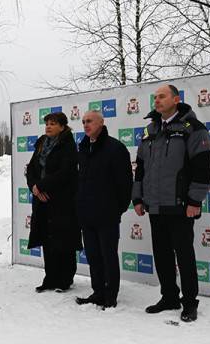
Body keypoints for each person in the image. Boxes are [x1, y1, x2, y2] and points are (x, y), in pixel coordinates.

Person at [133, 84, 210, 322]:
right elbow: (140, 169)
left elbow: (204, 168)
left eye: (162, 96)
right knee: (162, 254)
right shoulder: (149, 130)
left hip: (180, 205)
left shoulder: (193, 128)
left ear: (176, 99)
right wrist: (138, 198)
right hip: (154, 205)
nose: (156, 100)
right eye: (155, 97)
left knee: (185, 256)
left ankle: (189, 303)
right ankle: (169, 296)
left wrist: (194, 200)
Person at [75, 111, 132, 309]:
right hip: (86, 214)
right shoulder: (82, 147)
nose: (85, 125)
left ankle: (110, 294)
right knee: (93, 256)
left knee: (108, 255)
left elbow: (125, 185)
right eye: (83, 122)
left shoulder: (115, 148)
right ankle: (98, 291)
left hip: (107, 214)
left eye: (89, 121)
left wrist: (116, 210)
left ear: (101, 122)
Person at [26, 112, 82, 292]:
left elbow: (65, 172)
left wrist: (41, 186)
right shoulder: (42, 143)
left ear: (62, 127)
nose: (48, 126)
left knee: (63, 240)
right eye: (47, 123)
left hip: (61, 200)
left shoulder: (68, 145)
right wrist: (34, 186)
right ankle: (50, 278)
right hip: (41, 200)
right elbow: (32, 168)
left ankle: (65, 278)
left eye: (52, 123)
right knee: (46, 239)